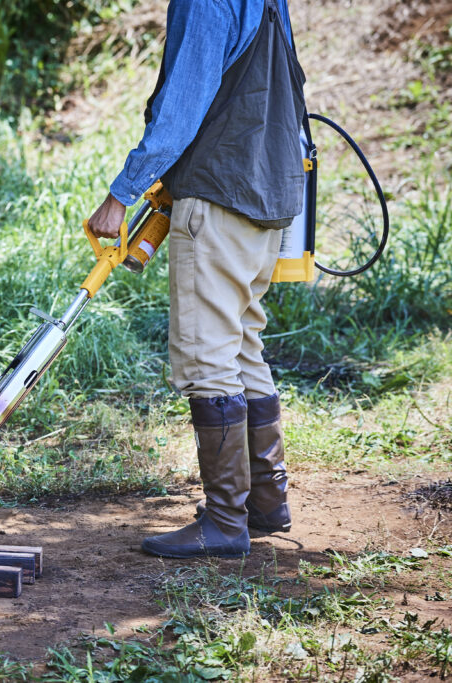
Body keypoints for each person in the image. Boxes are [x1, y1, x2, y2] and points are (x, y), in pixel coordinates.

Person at [87, 0, 303, 558]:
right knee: (242, 346)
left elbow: (184, 101)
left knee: (209, 355)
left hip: (218, 194)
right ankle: (264, 503)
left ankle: (226, 522)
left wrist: (122, 194)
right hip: (268, 195)